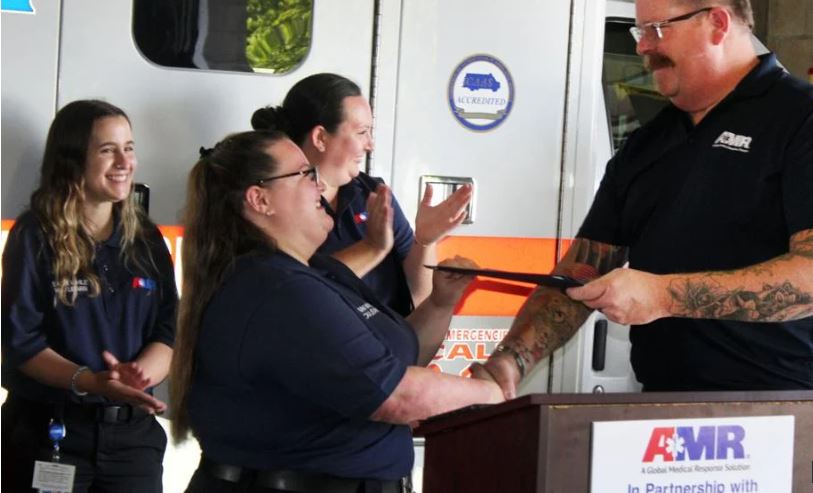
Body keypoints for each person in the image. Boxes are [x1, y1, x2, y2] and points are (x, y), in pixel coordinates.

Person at [475, 0, 813, 396]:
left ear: (717, 23)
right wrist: (511, 359)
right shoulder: (646, 144)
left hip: (779, 409)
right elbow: (585, 270)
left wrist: (663, 295)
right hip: (659, 406)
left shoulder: (800, 119)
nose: (642, 48)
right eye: (640, 32)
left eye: (656, 29)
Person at [169, 130, 502, 492]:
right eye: (305, 174)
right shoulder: (275, 288)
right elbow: (396, 395)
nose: (319, 184)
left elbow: (396, 360)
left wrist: (440, 302)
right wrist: (490, 395)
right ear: (260, 199)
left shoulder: (315, 272)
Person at [1, 99, 177, 492]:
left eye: (128, 148)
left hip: (132, 441)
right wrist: (92, 381)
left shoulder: (145, 238)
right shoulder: (35, 236)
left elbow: (169, 329)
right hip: (50, 433)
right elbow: (21, 342)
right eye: (107, 149)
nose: (124, 162)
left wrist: (137, 378)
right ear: (72, 158)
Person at [251, 73, 472, 316]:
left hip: (389, 345)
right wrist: (372, 248)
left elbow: (418, 296)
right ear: (321, 138)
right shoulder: (279, 204)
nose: (370, 145)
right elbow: (296, 295)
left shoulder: (372, 193)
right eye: (361, 132)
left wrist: (425, 240)